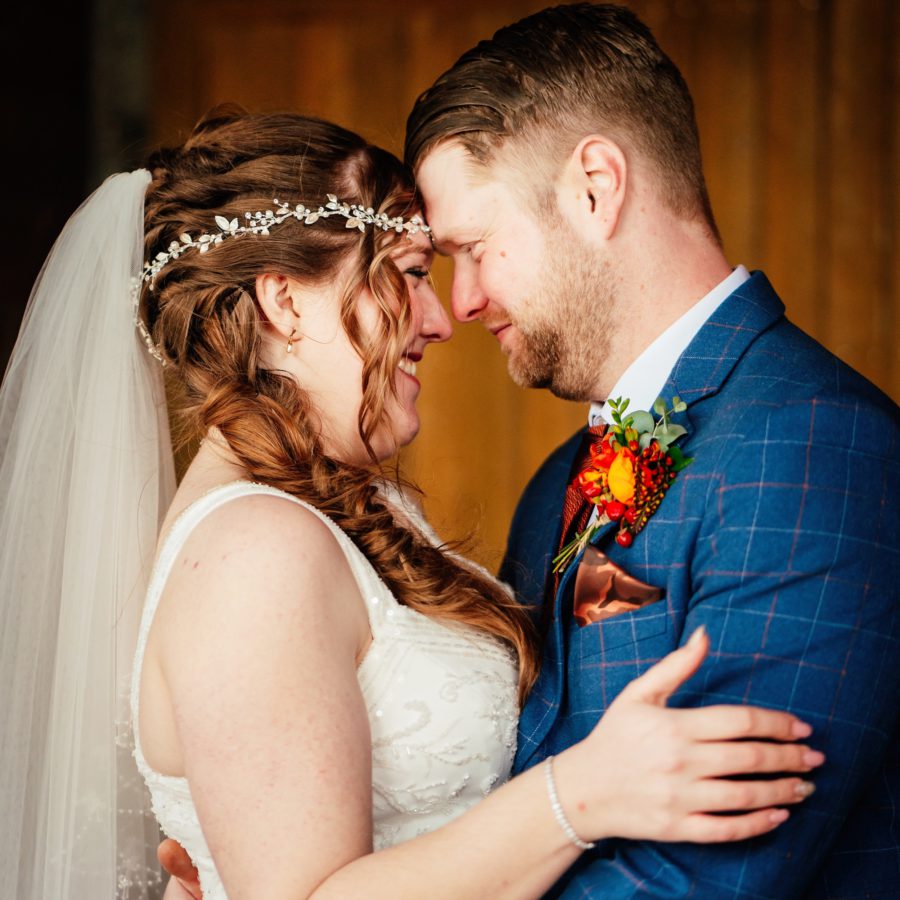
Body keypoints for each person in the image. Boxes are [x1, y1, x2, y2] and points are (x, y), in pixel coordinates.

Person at [0, 107, 824, 900]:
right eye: (407, 274)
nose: (440, 318)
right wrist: (581, 796)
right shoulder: (253, 551)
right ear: (285, 302)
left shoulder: (338, 510)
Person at [403, 3, 900, 898]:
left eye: (473, 249)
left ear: (596, 186)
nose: (464, 300)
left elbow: (708, 875)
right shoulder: (561, 478)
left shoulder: (814, 444)